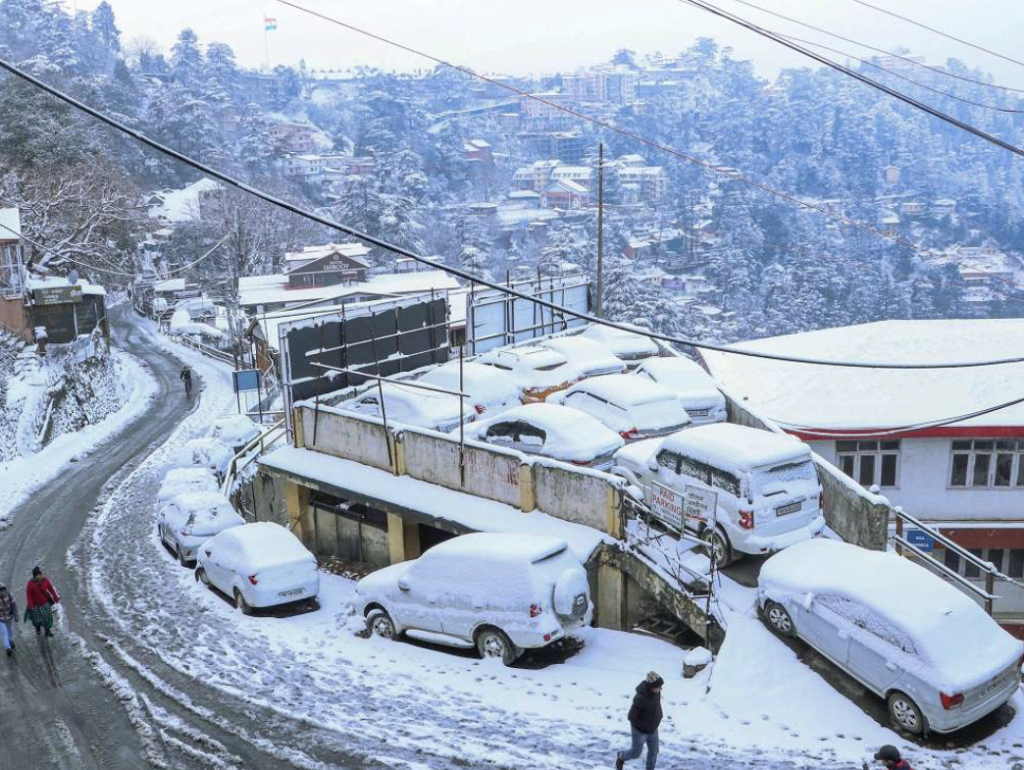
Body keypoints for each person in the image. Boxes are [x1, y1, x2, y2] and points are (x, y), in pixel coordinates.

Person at [615, 671, 664, 770]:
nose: (660, 688)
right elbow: (631, 716)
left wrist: (659, 716)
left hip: (653, 728)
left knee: (654, 751)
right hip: (640, 730)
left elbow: (656, 706)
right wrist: (644, 726)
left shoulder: (656, 692)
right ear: (651, 686)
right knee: (635, 753)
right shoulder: (640, 698)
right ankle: (621, 756)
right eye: (658, 686)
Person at [24, 567, 60, 638]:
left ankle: (47, 630)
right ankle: (38, 628)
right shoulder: (30, 584)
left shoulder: (45, 580)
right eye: (37, 575)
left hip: (45, 603)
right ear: (34, 576)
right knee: (37, 619)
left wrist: (56, 597)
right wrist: (31, 606)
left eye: (40, 574)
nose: (39, 576)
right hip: (35, 605)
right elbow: (29, 595)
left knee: (47, 618)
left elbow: (51, 589)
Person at [0, 583, 18, 657]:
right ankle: (7, 647)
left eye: (3, 590)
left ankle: (10, 640)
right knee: (4, 632)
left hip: (9, 616)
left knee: (10, 630)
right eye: (0, 591)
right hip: (1, 618)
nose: (2, 592)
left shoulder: (9, 595)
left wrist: (16, 615)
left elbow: (14, 605)